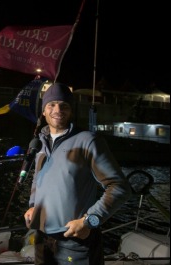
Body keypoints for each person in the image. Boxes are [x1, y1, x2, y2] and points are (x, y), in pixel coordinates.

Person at [23, 83, 132, 265]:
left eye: (64, 105)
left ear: (71, 110)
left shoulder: (88, 141)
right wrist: (33, 204)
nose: (58, 110)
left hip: (76, 241)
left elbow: (120, 187)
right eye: (51, 104)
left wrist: (90, 221)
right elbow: (37, 179)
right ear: (43, 111)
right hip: (42, 238)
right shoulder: (39, 143)